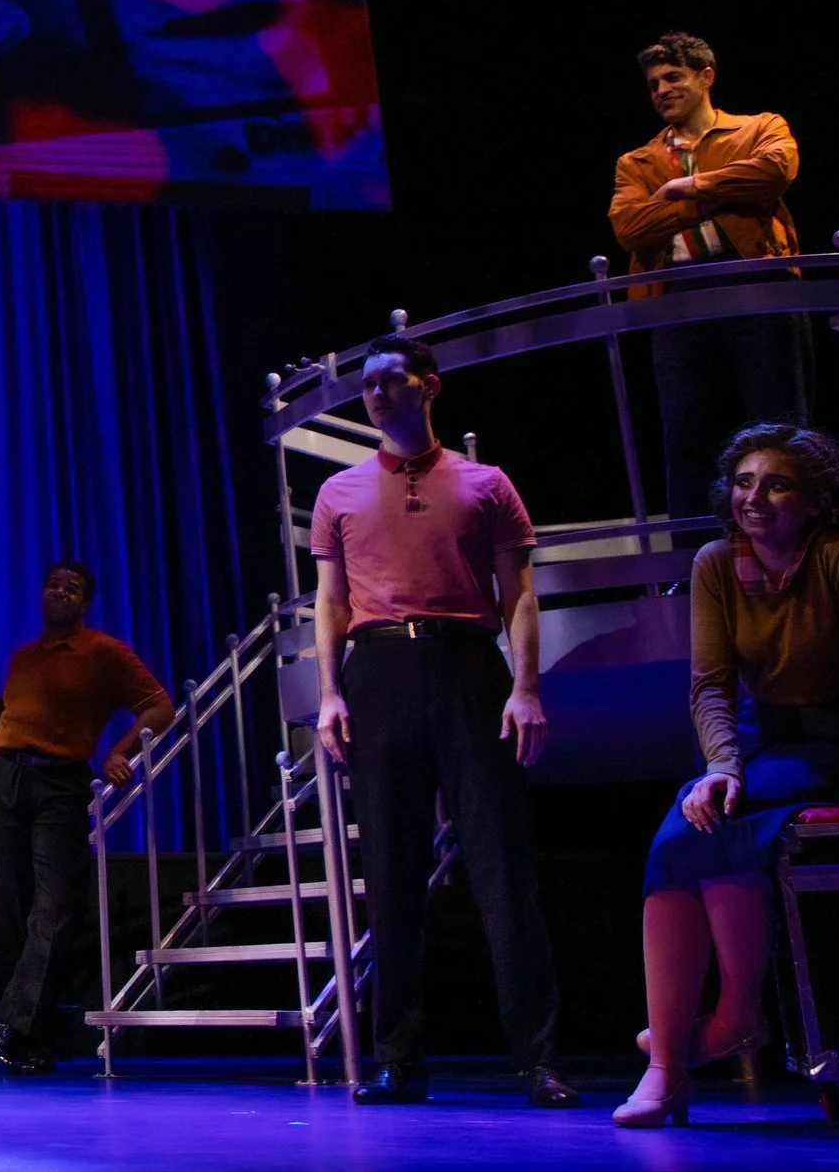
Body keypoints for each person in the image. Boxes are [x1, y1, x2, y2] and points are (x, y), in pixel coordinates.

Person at [310, 333, 578, 1109]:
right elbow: (331, 601)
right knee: (390, 872)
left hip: (466, 665)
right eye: (367, 385)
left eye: (391, 381)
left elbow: (519, 593)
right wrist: (330, 693)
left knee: (501, 867)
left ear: (428, 386)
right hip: (381, 670)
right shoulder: (340, 492)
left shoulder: (486, 483)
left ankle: (537, 1056)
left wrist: (525, 688)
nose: (376, 395)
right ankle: (399, 1059)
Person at [615, 425, 839, 1127]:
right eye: (744, 483)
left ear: (812, 501)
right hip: (762, 736)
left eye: (776, 484)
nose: (755, 497)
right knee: (683, 833)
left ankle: (727, 1023)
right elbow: (710, 686)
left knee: (729, 825)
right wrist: (718, 767)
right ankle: (670, 1066)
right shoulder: (717, 564)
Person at [607, 31, 809, 542]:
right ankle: (692, 560)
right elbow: (629, 226)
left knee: (778, 422)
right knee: (686, 436)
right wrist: (716, 196)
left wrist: (693, 184)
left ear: (706, 77)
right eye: (653, 83)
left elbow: (774, 170)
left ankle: (798, 541)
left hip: (758, 285)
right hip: (678, 299)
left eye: (673, 77)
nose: (661, 90)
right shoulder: (637, 162)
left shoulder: (760, 127)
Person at [0, 560, 170, 1073]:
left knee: (55, 908)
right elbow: (4, 718)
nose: (59, 591)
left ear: (84, 603)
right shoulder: (24, 657)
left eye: (73, 587)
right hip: (2, 774)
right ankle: (27, 1038)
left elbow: (158, 707)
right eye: (53, 584)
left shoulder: (102, 651)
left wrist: (119, 752)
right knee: (12, 904)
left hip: (60, 783)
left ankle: (12, 1023)